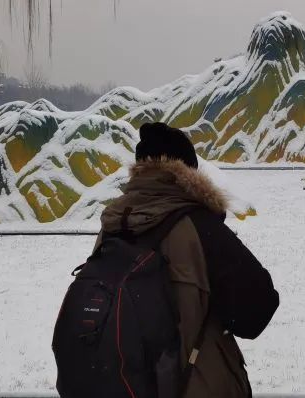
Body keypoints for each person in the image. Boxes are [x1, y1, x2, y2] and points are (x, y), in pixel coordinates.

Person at [95, 121, 279, 398]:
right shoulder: (199, 226)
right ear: (189, 172)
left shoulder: (111, 226)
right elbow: (258, 309)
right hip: (192, 385)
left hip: (120, 385)